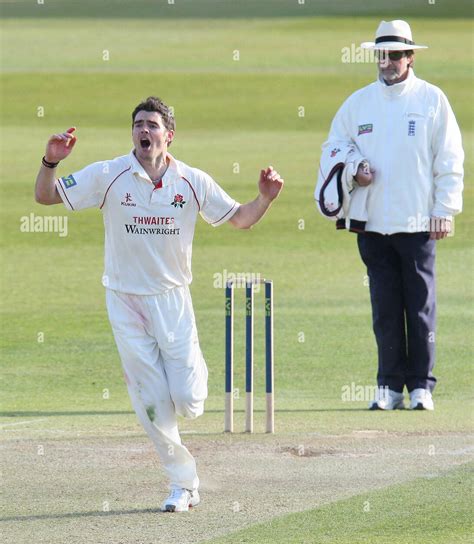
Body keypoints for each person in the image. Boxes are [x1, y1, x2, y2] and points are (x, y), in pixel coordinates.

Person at [35, 96, 284, 511]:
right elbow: (45, 197)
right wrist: (50, 160)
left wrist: (266, 199)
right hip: (124, 299)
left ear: (169, 135)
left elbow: (240, 218)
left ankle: (188, 382)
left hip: (172, 300)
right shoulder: (109, 174)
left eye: (152, 125)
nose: (143, 131)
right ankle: (182, 484)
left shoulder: (191, 181)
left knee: (188, 400)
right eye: (137, 125)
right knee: (151, 402)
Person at [317, 20, 464, 411]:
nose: (389, 61)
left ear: (410, 57)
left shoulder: (432, 100)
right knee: (384, 309)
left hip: (418, 223)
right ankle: (388, 386)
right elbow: (334, 147)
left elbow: (449, 159)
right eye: (382, 54)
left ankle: (421, 386)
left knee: (418, 307)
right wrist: (355, 168)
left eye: (396, 54)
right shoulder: (358, 103)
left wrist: (444, 210)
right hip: (373, 222)